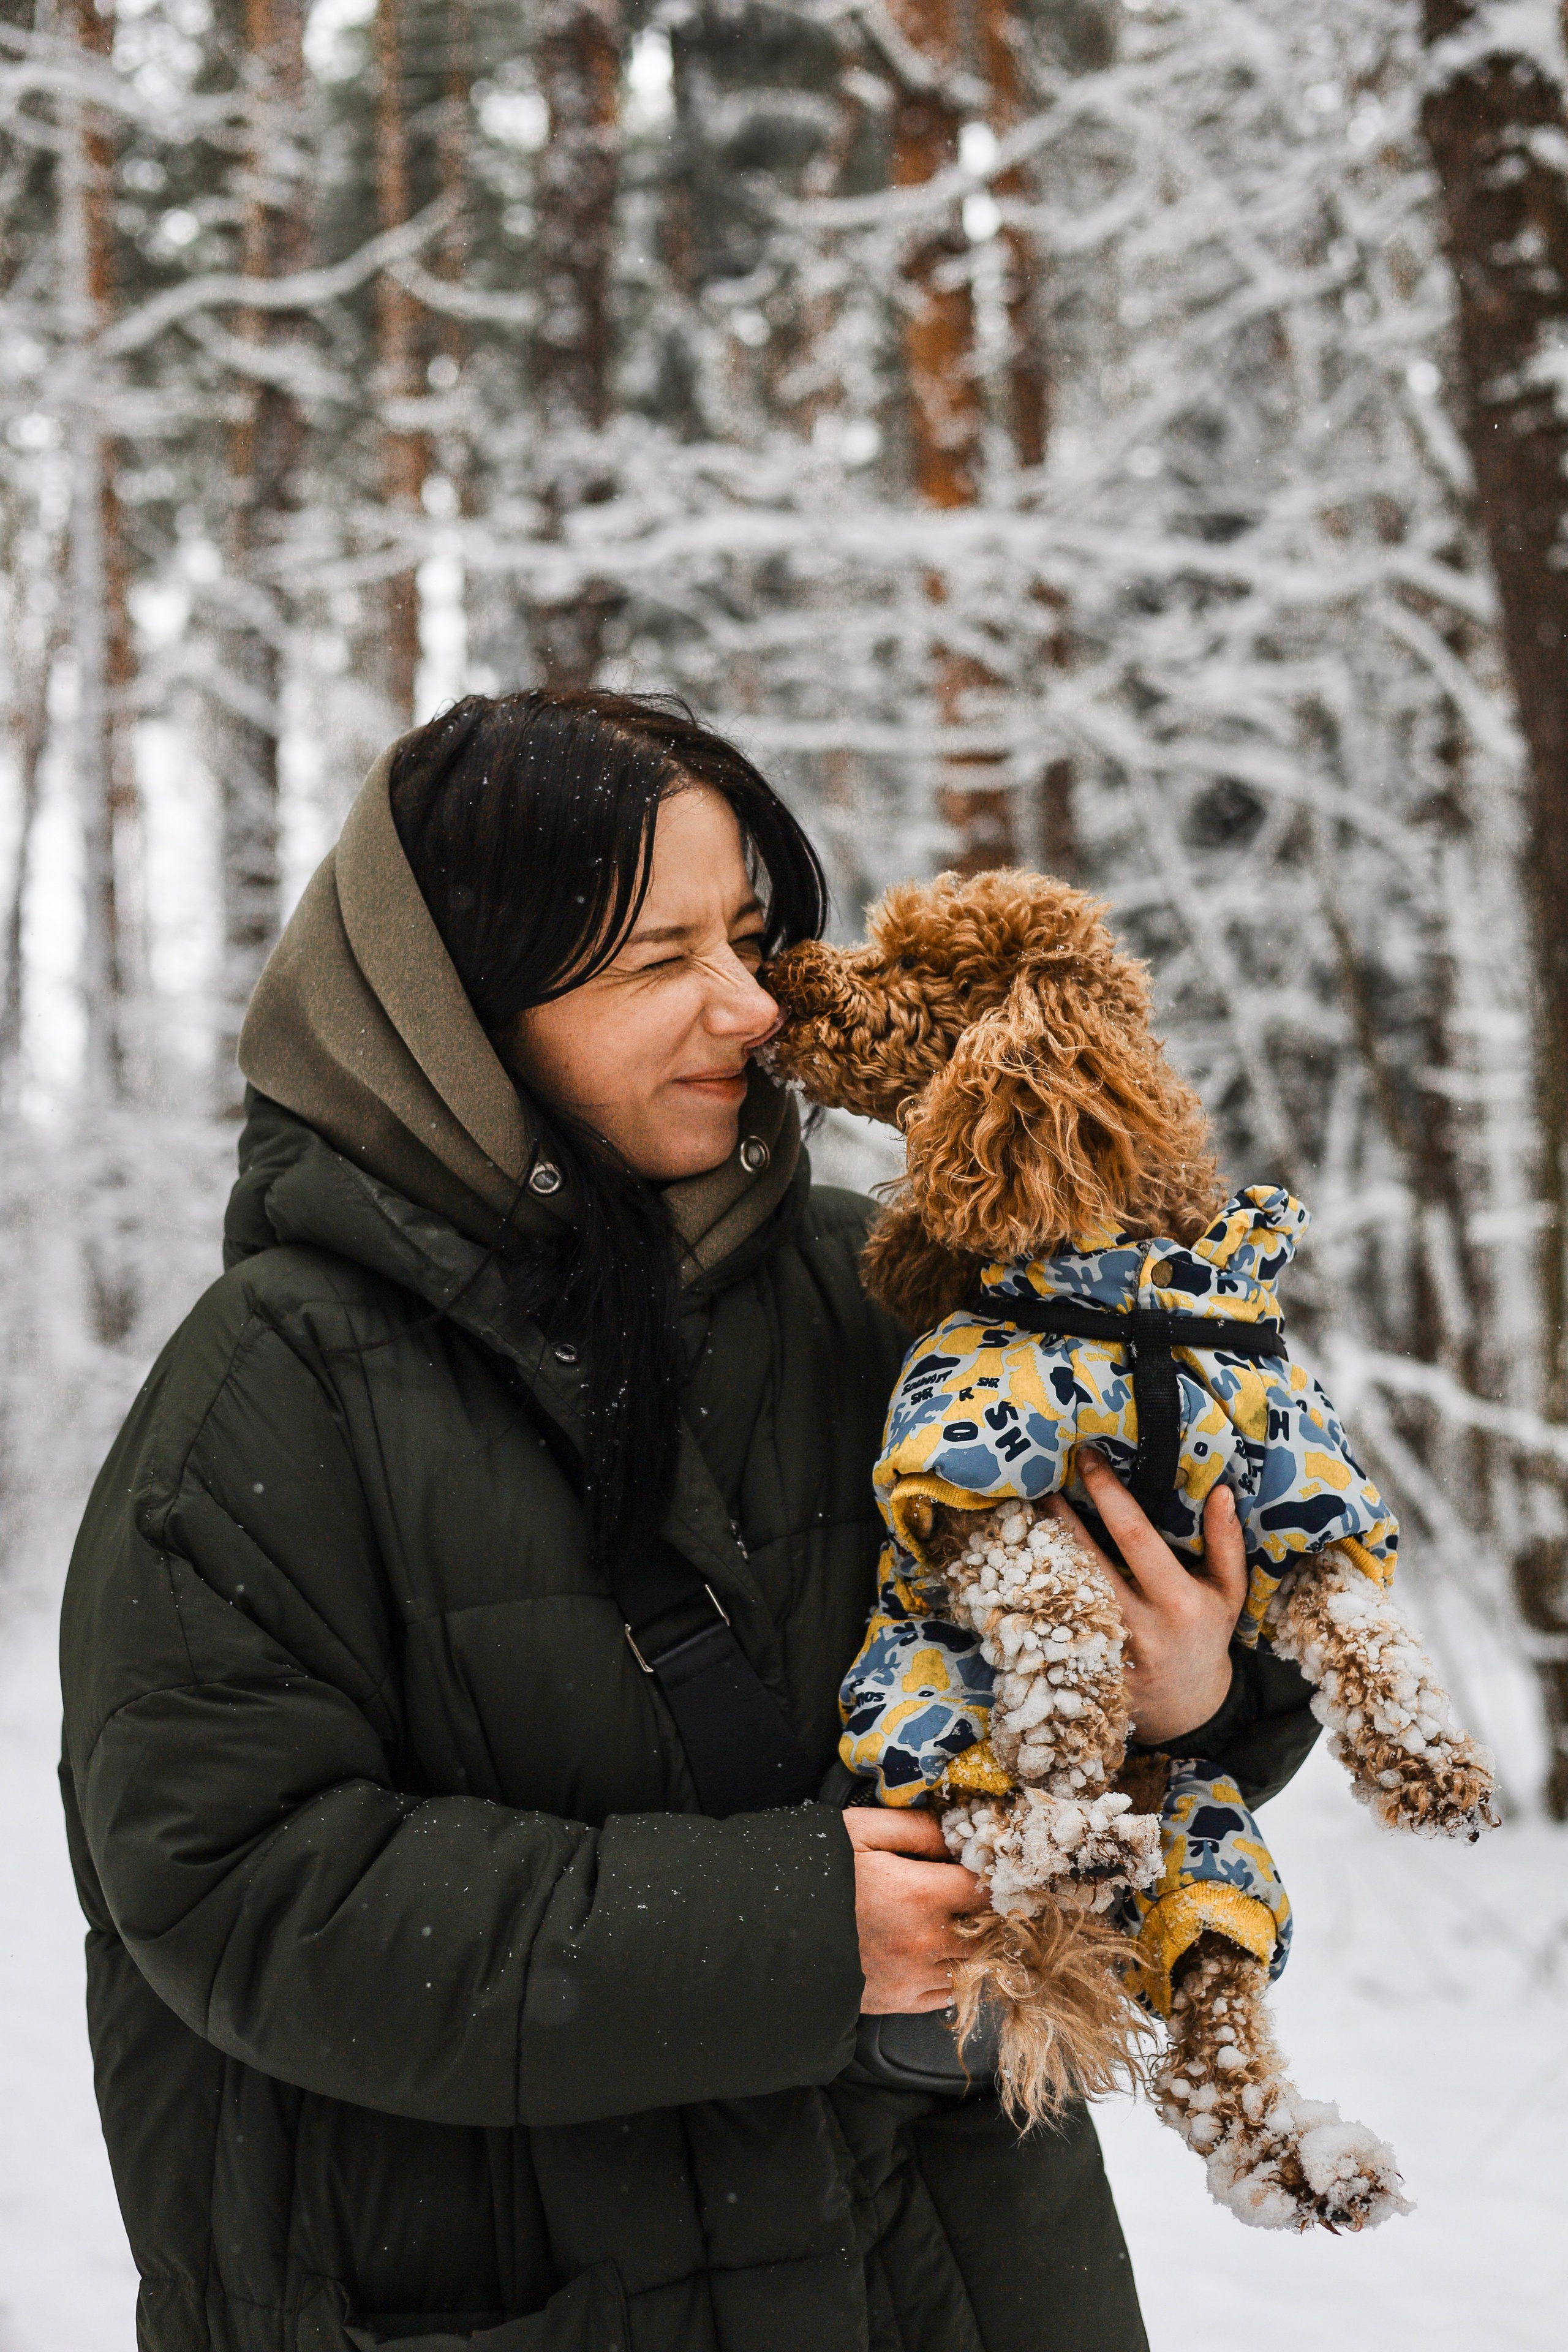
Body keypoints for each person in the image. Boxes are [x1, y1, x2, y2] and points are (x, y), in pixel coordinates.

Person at [59, 690, 1321, 2352]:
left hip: (949, 2279)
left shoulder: (890, 1296)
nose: (747, 1007)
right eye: (656, 962)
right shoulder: (274, 1388)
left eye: (747, 937)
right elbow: (239, 1891)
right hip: (510, 2294)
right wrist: (794, 1932)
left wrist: (1203, 1695)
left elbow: (1194, 1672)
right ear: (456, 1007)